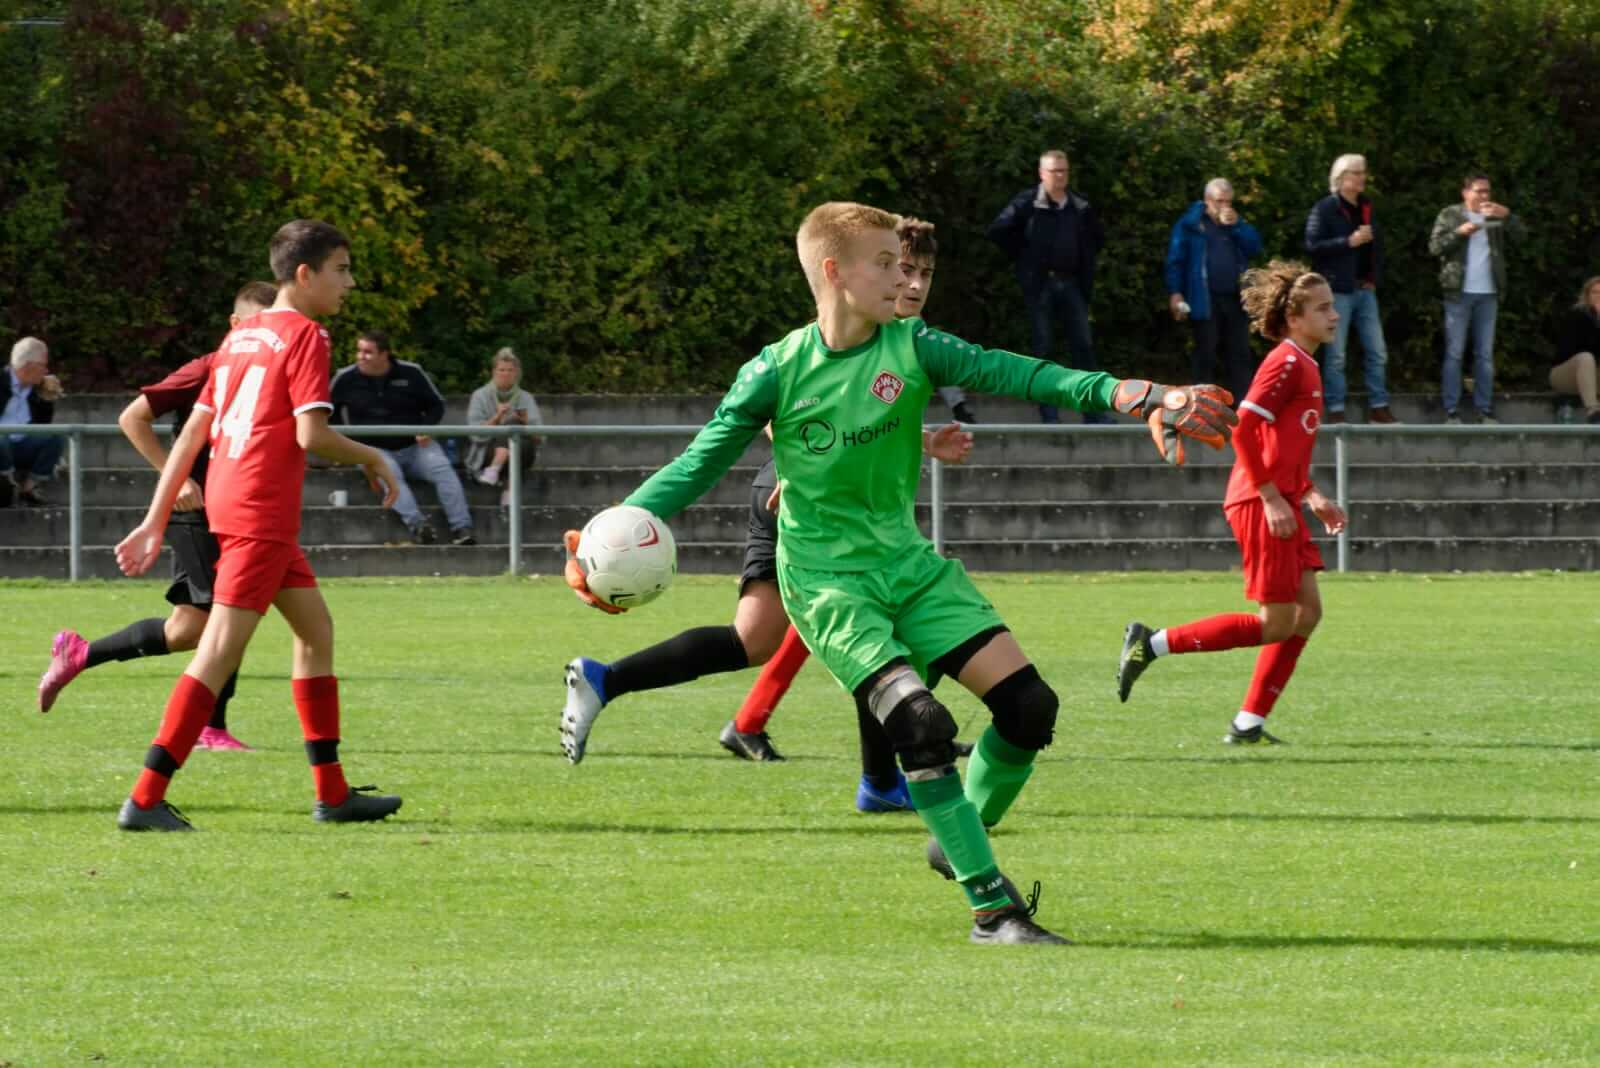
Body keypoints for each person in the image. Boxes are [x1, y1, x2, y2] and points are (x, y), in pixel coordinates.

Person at [562, 201, 1235, 944]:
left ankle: (958, 838)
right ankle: (992, 908)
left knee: (1030, 708)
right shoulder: (777, 370)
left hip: (909, 565)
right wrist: (607, 537)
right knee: (921, 720)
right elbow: (699, 464)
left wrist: (1130, 392)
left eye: (904, 265)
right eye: (884, 264)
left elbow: (1019, 371)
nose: (902, 279)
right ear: (833, 272)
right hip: (826, 583)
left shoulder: (912, 345)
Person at [111, 219, 403, 831]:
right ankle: (144, 798)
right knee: (216, 652)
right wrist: (376, 456)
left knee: (315, 630)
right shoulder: (307, 335)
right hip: (261, 513)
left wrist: (153, 520)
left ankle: (334, 792)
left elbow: (194, 433)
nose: (349, 283)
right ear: (305, 274)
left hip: (231, 502)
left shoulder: (243, 336)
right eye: (342, 270)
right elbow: (310, 434)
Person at [729, 216, 973, 811]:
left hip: (862, 524)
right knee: (808, 634)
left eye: (924, 274)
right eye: (901, 269)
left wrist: (924, 444)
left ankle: (880, 759)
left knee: (829, 634)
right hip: (795, 498)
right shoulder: (846, 332)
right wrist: (801, 471)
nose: (912, 285)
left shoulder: (905, 341)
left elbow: (867, 417)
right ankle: (887, 759)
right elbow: (795, 407)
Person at [36, 282, 280, 753]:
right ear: (234, 326)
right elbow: (132, 418)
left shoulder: (269, 373)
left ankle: (80, 653)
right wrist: (178, 476)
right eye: (255, 324)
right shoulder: (206, 368)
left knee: (186, 630)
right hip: (196, 511)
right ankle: (210, 727)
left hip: (236, 508)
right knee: (229, 617)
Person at [1118, 260, 1349, 745]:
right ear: (1294, 318)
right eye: (1323, 308)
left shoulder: (1305, 363)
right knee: (1275, 624)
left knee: (1307, 613)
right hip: (1259, 501)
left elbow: (1283, 447)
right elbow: (1243, 424)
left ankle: (1249, 723)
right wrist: (1269, 496)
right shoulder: (1286, 361)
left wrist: (1311, 496)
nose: (1334, 315)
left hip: (1281, 498)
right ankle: (1151, 643)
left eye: (1332, 306)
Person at [986, 149, 1109, 424]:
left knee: (1084, 348)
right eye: (1055, 171)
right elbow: (998, 230)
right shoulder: (1028, 202)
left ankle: (1093, 413)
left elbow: (1097, 239)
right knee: (1044, 348)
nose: (1060, 176)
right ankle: (1049, 412)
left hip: (1072, 283)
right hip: (1040, 285)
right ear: (1042, 173)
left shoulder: (1079, 205)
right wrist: (1026, 256)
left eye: (1064, 170)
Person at [331, 330, 476, 545]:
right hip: (372, 450)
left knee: (443, 470)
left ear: (385, 354)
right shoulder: (345, 377)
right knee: (390, 474)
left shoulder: (412, 373)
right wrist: (347, 446)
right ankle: (418, 526)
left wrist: (427, 428)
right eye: (359, 351)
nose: (360, 356)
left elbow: (436, 405)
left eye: (368, 352)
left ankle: (462, 528)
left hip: (415, 447)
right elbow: (328, 413)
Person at [1305, 153, 1398, 424]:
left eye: (1363, 172)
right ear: (1341, 177)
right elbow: (1312, 245)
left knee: (1377, 351)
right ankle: (1335, 410)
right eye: (1356, 173)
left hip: (1365, 289)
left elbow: (1377, 248)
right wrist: (1347, 242)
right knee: (1336, 354)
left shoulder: (1367, 206)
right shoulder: (1325, 208)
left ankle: (1378, 407)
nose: (1362, 178)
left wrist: (1373, 274)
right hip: (1337, 290)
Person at [1428, 173, 1524, 423]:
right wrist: (1460, 232)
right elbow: (1435, 247)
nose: (1484, 196)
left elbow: (1522, 236)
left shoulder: (1494, 215)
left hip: (1488, 293)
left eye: (1487, 191)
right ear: (1465, 192)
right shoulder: (1450, 215)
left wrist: (1507, 215)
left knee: (1484, 355)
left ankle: (1484, 410)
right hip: (1458, 293)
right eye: (1479, 191)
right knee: (1455, 352)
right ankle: (1452, 410)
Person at [1165, 178, 1263, 404]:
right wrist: (1175, 292)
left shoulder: (1235, 224)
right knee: (1205, 354)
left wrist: (1237, 225)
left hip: (1234, 298)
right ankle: (1203, 406)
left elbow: (1255, 247)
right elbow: (1176, 260)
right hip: (1204, 299)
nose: (1224, 207)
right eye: (1219, 201)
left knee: (1240, 354)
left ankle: (1244, 409)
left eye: (1228, 202)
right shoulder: (1190, 224)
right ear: (1207, 200)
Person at [466, 346, 543, 510]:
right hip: (487, 448)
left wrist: (525, 423)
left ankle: (495, 468)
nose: (505, 374)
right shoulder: (480, 395)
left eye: (510, 370)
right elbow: (474, 434)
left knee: (515, 427)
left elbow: (540, 437)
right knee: (511, 428)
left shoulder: (526, 397)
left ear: (516, 373)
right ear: (493, 371)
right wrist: (496, 418)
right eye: (501, 370)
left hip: (522, 449)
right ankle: (507, 490)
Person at [1, 336, 65, 507]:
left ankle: (29, 488)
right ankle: (7, 483)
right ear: (28, 365)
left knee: (54, 436)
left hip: (22, 444)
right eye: (43, 365)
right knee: (1, 439)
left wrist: (47, 399)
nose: (46, 371)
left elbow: (42, 426)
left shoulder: (39, 387)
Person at [1551, 277, 1600, 423]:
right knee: (1586, 357)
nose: (1599, 297)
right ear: (1587, 295)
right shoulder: (1576, 316)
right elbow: (1570, 350)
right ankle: (1593, 411)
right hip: (1566, 373)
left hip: (1595, 376)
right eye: (1595, 292)